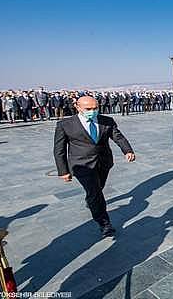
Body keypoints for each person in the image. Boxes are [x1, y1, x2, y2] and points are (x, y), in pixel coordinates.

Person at [53, 95, 136, 238]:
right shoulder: (65, 124)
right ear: (78, 107)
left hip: (104, 162)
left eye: (95, 108)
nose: (93, 111)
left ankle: (91, 201)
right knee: (96, 193)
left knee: (98, 187)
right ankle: (104, 223)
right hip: (82, 165)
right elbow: (59, 149)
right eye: (88, 109)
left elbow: (118, 136)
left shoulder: (106, 121)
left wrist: (127, 150)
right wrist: (63, 171)